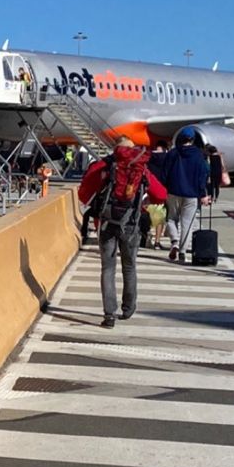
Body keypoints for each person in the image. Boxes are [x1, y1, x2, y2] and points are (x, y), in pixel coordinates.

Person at [79, 138, 167, 328]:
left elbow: (83, 194)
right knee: (129, 266)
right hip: (131, 224)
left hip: (106, 223)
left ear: (116, 149)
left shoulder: (105, 165)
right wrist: (142, 200)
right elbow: (161, 194)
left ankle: (109, 315)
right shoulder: (141, 168)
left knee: (108, 268)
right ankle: (128, 308)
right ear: (133, 149)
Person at [163, 127, 211, 263]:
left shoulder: (173, 153)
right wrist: (203, 194)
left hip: (173, 191)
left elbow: (164, 172)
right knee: (187, 224)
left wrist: (164, 187)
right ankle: (183, 252)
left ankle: (175, 242)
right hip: (191, 194)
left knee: (171, 219)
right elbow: (202, 176)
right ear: (192, 139)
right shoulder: (199, 155)